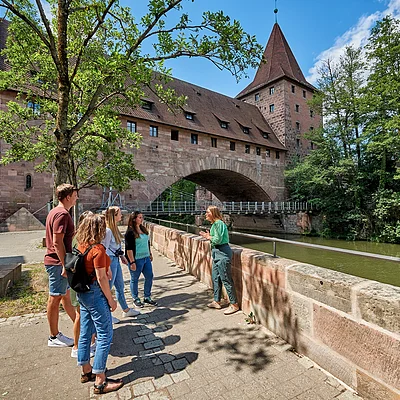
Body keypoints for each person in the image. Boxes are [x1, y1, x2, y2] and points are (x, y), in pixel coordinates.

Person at [75, 213, 124, 394]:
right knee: (104, 334)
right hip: (95, 294)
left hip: (83, 294)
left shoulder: (81, 245)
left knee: (85, 332)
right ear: (99, 229)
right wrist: (111, 300)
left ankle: (86, 370)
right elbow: (102, 277)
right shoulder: (98, 250)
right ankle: (100, 380)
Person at [44, 183, 77, 347]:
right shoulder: (62, 214)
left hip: (57, 262)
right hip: (57, 263)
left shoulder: (54, 212)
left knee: (65, 297)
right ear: (68, 197)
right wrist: (65, 264)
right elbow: (57, 242)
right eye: (75, 195)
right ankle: (53, 336)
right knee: (55, 298)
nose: (77, 198)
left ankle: (80, 328)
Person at [200, 206, 239, 315]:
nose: (205, 214)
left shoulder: (219, 224)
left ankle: (234, 304)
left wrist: (208, 237)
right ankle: (216, 301)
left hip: (222, 253)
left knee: (226, 278)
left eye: (207, 212)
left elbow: (217, 239)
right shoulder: (214, 225)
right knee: (215, 278)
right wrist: (208, 236)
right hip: (216, 253)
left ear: (213, 213)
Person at [103, 206, 140, 323]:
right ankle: (106, 315)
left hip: (116, 259)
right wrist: (107, 266)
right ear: (114, 216)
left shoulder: (115, 229)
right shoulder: (108, 230)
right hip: (110, 261)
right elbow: (104, 249)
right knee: (107, 289)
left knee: (120, 286)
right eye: (119, 213)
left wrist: (122, 256)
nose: (122, 215)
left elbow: (116, 247)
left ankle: (125, 309)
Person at [70, 211, 96, 359]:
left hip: (78, 282)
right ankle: (80, 346)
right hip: (82, 284)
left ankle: (82, 345)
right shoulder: (84, 242)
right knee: (83, 316)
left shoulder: (77, 238)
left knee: (83, 316)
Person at [125, 211, 158, 308]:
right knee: (135, 279)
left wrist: (150, 253)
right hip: (136, 259)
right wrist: (132, 262)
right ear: (134, 219)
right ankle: (135, 298)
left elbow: (147, 243)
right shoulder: (130, 232)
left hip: (146, 258)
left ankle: (147, 296)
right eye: (139, 217)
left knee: (149, 276)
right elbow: (129, 249)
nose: (141, 219)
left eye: (142, 217)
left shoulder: (143, 229)